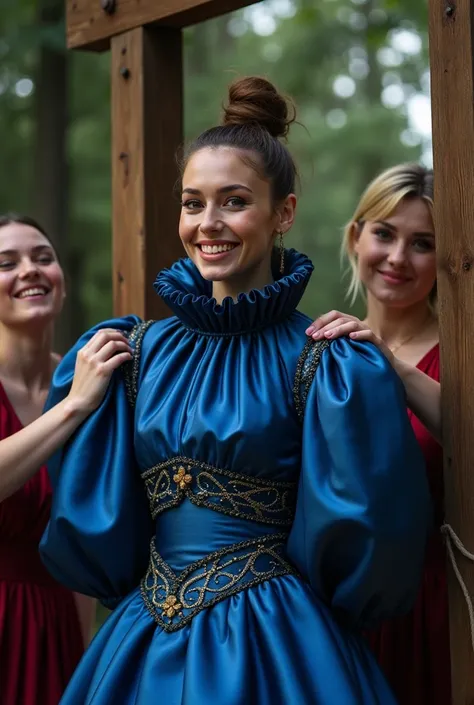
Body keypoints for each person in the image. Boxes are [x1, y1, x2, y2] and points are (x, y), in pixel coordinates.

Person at [40, 78, 431, 705]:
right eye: (193, 203)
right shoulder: (130, 353)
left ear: (284, 213)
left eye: (234, 201)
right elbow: (96, 530)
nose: (208, 224)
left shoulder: (329, 359)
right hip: (144, 639)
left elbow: (367, 536)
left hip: (278, 643)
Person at [306, 164, 449, 705]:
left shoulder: (459, 354)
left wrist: (389, 362)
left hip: (435, 610)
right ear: (355, 237)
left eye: (422, 244)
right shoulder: (319, 348)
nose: (396, 257)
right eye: (384, 234)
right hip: (332, 615)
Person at [0, 213, 132, 705]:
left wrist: (82, 656)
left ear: (62, 282)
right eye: (6, 262)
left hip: (56, 627)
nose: (30, 269)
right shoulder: (81, 394)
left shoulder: (83, 380)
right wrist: (75, 405)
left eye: (43, 258)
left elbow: (83, 535)